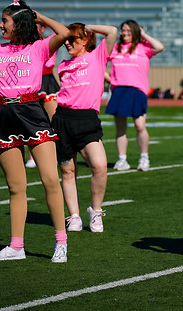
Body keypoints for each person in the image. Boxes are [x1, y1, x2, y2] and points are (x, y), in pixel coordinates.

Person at [0, 0, 70, 262]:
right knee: (15, 186)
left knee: (50, 180)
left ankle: (61, 242)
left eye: (5, 21)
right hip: (4, 115)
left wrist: (38, 16)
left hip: (32, 114)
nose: (0, 25)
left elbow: (64, 33)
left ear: (19, 24)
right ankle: (16, 247)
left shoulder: (39, 48)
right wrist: (6, 100)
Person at [52, 22, 117, 233]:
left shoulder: (97, 56)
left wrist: (89, 27)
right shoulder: (63, 65)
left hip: (87, 119)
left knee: (100, 166)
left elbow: (112, 32)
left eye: (73, 39)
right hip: (63, 119)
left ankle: (95, 211)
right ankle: (74, 216)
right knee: (67, 170)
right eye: (66, 40)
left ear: (86, 39)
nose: (67, 43)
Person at [106, 20, 164, 172]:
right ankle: (122, 160)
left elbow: (160, 47)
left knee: (140, 126)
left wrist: (143, 34)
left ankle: (144, 158)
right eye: (123, 30)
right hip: (119, 91)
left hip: (137, 90)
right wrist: (109, 79)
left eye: (128, 30)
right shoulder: (115, 48)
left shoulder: (143, 47)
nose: (124, 33)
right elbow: (99, 61)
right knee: (120, 128)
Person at [25, 23, 60, 168]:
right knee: (31, 122)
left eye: (37, 26)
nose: (33, 28)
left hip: (48, 82)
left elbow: (62, 32)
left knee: (54, 121)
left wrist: (44, 20)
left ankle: (56, 155)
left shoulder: (50, 41)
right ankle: (33, 157)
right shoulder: (25, 44)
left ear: (43, 28)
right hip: (31, 81)